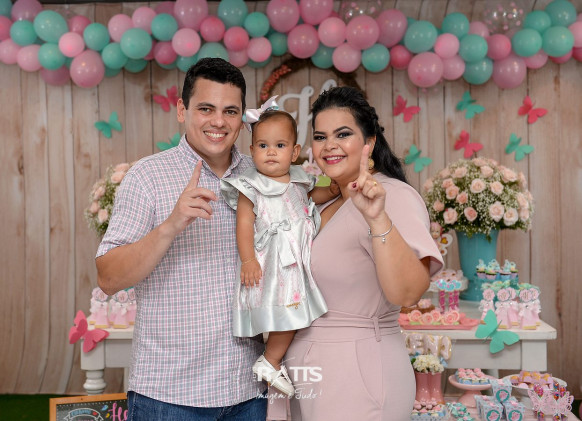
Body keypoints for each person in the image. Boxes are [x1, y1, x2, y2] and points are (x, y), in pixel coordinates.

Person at [95, 58, 267, 420]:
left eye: (230, 111)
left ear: (242, 119)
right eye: (206, 108)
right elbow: (109, 277)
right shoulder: (148, 176)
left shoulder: (261, 175)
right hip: (169, 396)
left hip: (248, 390)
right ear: (181, 110)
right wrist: (171, 225)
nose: (219, 121)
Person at [285, 86, 444, 420]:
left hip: (359, 371)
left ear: (369, 142)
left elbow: (408, 293)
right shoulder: (325, 202)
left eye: (343, 134)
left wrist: (377, 219)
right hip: (309, 373)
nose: (329, 145)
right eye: (320, 136)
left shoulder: (393, 196)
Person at [220, 102, 331, 398]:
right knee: (286, 312)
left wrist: (334, 189)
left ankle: (272, 360)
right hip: (272, 263)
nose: (271, 152)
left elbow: (314, 196)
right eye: (263, 145)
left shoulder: (300, 179)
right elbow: (244, 225)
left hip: (295, 260)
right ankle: (270, 360)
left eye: (279, 145)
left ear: (294, 152)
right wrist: (248, 259)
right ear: (252, 150)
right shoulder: (251, 185)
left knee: (294, 313)